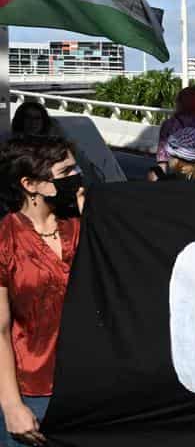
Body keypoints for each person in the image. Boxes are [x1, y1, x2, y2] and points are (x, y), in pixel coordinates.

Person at [0, 136, 86, 447]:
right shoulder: (5, 239)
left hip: (90, 385)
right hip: (33, 393)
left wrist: (94, 217)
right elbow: (0, 329)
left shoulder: (80, 226)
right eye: (66, 172)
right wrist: (12, 406)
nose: (77, 178)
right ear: (31, 184)